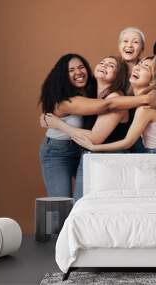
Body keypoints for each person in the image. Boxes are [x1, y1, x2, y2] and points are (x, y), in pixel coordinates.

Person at [41, 56, 130, 199]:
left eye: (111, 65)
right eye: (102, 62)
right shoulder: (91, 91)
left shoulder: (113, 96)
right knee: (62, 203)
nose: (104, 65)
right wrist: (47, 118)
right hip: (62, 150)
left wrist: (59, 125)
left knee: (81, 204)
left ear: (119, 75)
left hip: (95, 152)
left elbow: (96, 134)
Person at [73, 57, 156, 154]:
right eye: (139, 63)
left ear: (153, 81)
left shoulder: (145, 108)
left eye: (145, 67)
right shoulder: (140, 102)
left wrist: (93, 147)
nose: (137, 67)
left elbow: (128, 142)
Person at [38, 54, 96, 200]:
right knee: (61, 204)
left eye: (81, 67)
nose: (78, 72)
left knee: (84, 201)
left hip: (82, 147)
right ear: (64, 75)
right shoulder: (65, 100)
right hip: (57, 151)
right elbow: (108, 106)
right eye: (71, 70)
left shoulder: (92, 89)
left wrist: (60, 125)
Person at [118, 27, 147, 153]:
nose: (129, 45)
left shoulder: (149, 69)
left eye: (135, 42)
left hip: (142, 132)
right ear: (119, 45)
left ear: (142, 49)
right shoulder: (111, 67)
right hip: (115, 131)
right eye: (125, 41)